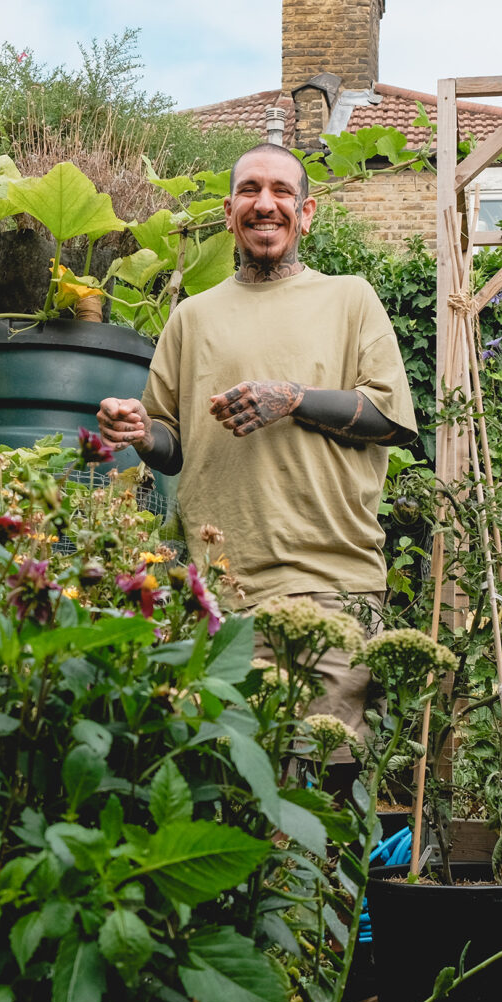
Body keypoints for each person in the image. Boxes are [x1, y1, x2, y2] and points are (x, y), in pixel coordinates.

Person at [97, 142, 417, 773]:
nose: (264, 204)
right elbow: (173, 444)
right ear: (228, 211)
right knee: (229, 784)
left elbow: (390, 422)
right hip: (222, 589)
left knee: (322, 783)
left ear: (307, 211)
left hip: (329, 583)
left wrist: (293, 398)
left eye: (280, 191)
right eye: (249, 190)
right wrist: (138, 430)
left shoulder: (349, 299)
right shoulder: (191, 317)